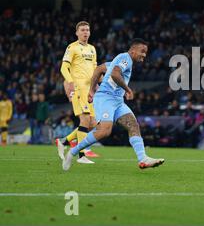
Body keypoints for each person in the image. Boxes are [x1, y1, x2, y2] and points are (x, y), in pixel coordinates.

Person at [62, 39, 165, 171]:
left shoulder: (121, 60)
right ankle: (72, 152)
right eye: (142, 51)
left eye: (146, 52)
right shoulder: (125, 58)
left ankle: (143, 159)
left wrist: (92, 90)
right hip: (106, 98)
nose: (144, 55)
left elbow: (99, 69)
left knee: (133, 125)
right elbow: (115, 74)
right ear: (133, 50)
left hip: (117, 101)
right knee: (105, 131)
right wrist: (127, 89)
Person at [57, 21, 99, 164]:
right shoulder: (72, 47)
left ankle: (64, 142)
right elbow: (64, 68)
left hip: (90, 90)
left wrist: (97, 84)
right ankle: (81, 156)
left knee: (93, 123)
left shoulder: (92, 49)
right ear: (77, 33)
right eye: (82, 30)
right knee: (85, 120)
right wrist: (70, 82)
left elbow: (95, 69)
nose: (85, 32)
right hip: (79, 88)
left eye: (87, 30)